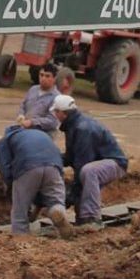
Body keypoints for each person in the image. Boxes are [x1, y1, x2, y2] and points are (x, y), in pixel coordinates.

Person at [50, 95, 128, 227]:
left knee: (88, 172)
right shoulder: (72, 126)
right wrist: (52, 161)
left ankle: (92, 218)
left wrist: (71, 195)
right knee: (85, 178)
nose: (55, 115)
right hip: (95, 163)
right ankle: (82, 221)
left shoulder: (83, 129)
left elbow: (82, 164)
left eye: (56, 112)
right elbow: (70, 157)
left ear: (63, 113)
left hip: (114, 163)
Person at [0, 125, 73, 237]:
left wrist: (12, 186)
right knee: (55, 200)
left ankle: (20, 236)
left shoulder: (5, 141)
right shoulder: (40, 134)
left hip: (28, 166)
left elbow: (5, 168)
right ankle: (58, 211)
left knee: (20, 210)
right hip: (54, 165)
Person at [17, 62, 60, 136]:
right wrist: (21, 115)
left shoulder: (57, 97)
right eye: (41, 75)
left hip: (43, 135)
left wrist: (32, 122)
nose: (43, 78)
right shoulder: (33, 89)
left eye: (47, 76)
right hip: (25, 130)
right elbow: (23, 105)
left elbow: (52, 121)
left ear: (54, 78)